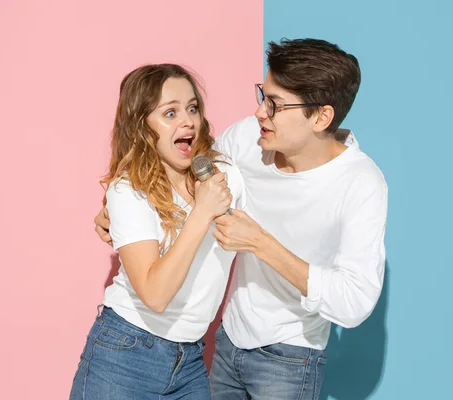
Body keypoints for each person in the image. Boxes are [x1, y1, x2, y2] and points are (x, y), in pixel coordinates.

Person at [94, 39, 388, 399]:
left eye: (275, 105)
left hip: (291, 356)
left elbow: (355, 302)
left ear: (321, 117)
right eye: (264, 95)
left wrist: (261, 244)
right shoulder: (247, 140)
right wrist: (117, 213)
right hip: (226, 344)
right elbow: (177, 171)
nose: (260, 113)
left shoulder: (360, 183)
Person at [69, 63, 246, 400]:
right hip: (124, 356)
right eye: (170, 113)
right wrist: (201, 212)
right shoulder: (129, 191)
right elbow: (155, 295)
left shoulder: (224, 176)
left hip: (190, 359)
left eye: (192, 108)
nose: (188, 121)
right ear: (142, 127)